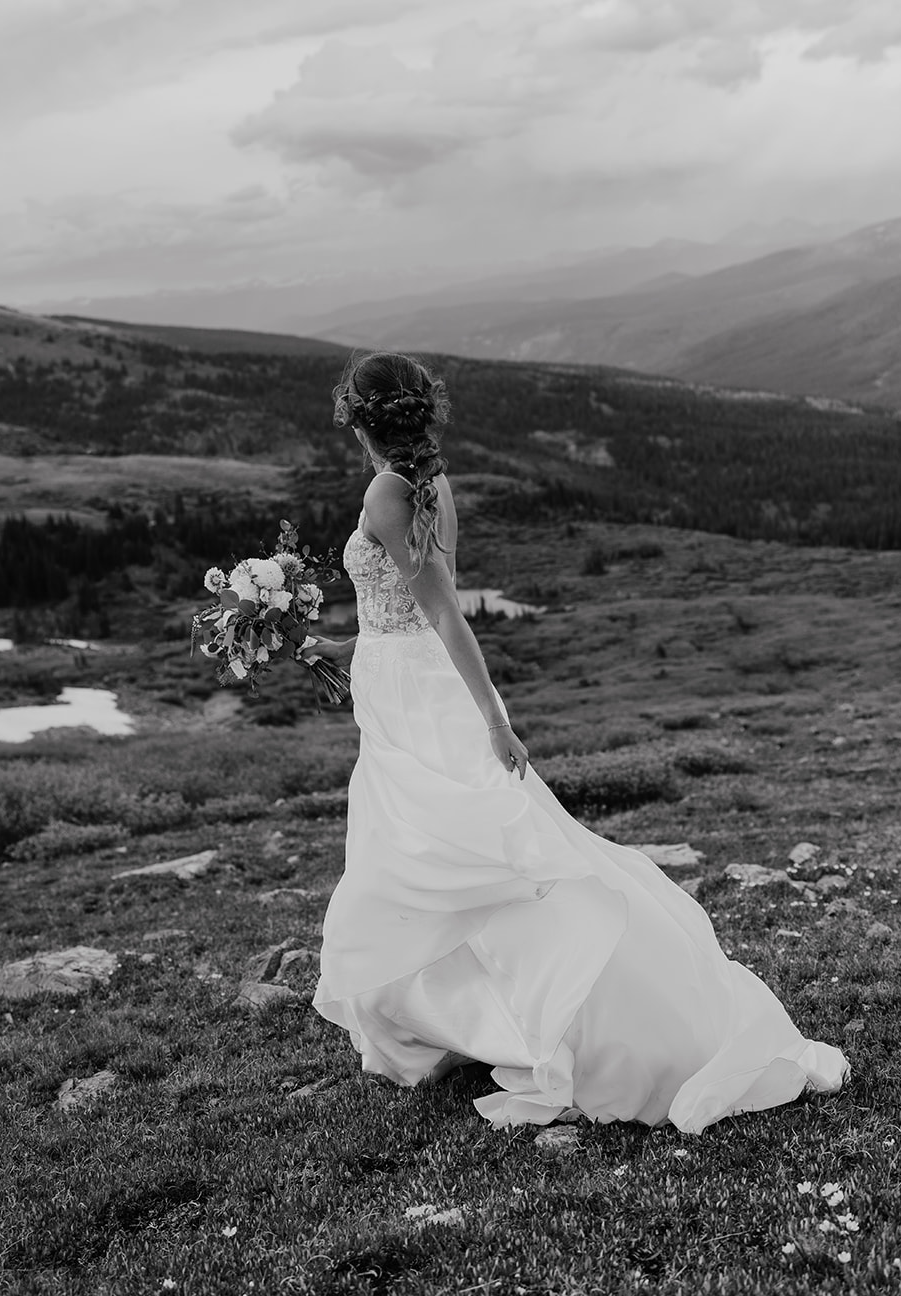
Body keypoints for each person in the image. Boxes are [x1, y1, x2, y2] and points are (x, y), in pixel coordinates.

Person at [308, 350, 849, 1132]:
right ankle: (457, 1014)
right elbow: (403, 618)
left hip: (421, 696)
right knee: (435, 856)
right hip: (405, 687)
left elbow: (444, 614)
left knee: (456, 858)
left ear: (352, 414)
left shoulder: (389, 490)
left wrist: (495, 719)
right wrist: (340, 652)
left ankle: (560, 1021)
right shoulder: (429, 482)